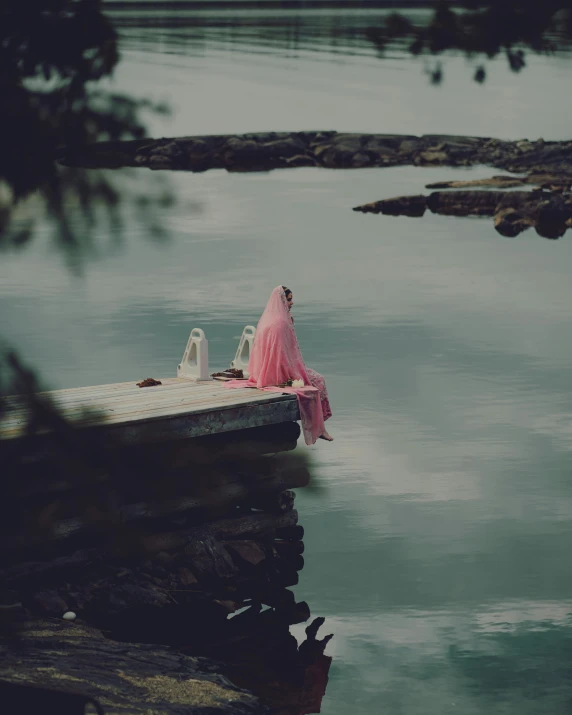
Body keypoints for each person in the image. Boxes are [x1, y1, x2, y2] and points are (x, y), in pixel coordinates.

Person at [225, 285, 333, 444]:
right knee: (318, 382)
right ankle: (319, 429)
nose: (292, 303)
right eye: (289, 300)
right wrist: (295, 374)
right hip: (280, 372)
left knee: (315, 382)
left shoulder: (271, 320)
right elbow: (283, 356)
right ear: (281, 301)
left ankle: (319, 428)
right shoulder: (280, 324)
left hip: (269, 369)